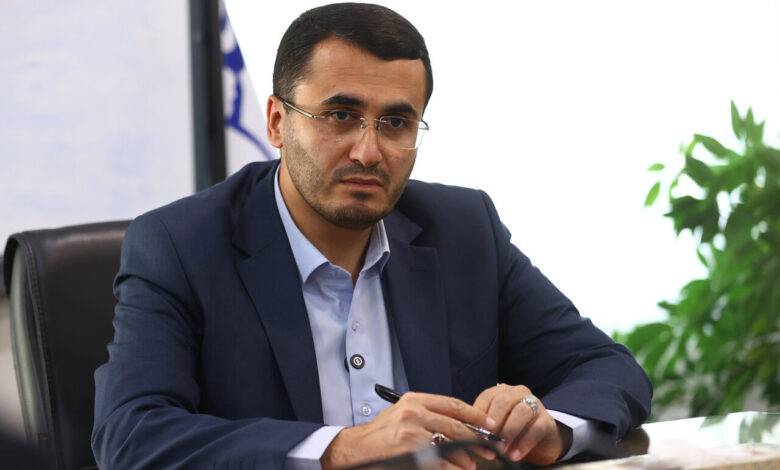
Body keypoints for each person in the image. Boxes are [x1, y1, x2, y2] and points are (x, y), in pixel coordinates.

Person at [92, 3, 652, 469]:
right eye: (340, 115)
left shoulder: (464, 228)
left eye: (396, 123)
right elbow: (131, 435)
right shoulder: (179, 246)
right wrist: (342, 449)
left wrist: (550, 427)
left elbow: (609, 369)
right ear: (277, 122)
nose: (368, 151)